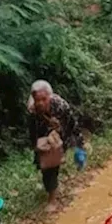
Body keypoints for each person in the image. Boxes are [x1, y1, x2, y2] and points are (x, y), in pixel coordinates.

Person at [28, 80, 83, 211]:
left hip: (60, 133)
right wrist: (35, 146)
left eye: (44, 99)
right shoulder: (32, 110)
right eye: (37, 100)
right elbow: (32, 131)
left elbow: (71, 126)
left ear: (50, 97)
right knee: (43, 163)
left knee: (51, 164)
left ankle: (52, 198)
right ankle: (51, 185)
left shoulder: (61, 106)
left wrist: (78, 146)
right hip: (42, 134)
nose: (40, 103)